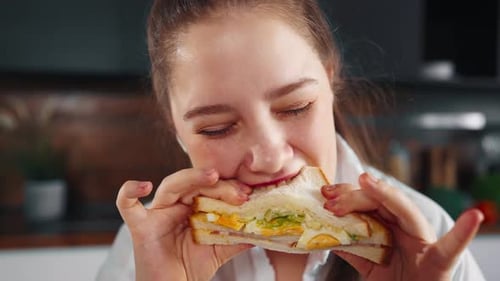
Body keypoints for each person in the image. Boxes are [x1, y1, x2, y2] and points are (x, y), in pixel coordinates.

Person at [97, 0, 486, 280]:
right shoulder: (146, 245)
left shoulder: (429, 238)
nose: (269, 156)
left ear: (331, 79)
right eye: (217, 128)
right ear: (175, 127)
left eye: (296, 107)